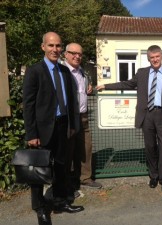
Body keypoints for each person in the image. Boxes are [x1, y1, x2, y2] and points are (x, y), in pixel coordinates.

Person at [96, 45, 162, 193]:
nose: (155, 60)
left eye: (157, 56)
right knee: (150, 147)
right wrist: (105, 86)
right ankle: (153, 176)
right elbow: (126, 84)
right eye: (152, 57)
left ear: (161, 56)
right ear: (148, 58)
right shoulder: (142, 73)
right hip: (147, 115)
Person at [23, 32, 84, 225]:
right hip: (42, 130)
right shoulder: (35, 71)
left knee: (61, 167)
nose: (55, 50)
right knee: (38, 170)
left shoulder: (65, 71)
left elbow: (72, 101)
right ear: (43, 47)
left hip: (63, 126)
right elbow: (28, 105)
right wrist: (32, 134)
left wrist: (73, 125)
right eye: (51, 46)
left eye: (58, 46)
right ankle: (40, 208)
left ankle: (59, 202)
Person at [64, 43, 102, 193]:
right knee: (68, 150)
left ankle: (85, 178)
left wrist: (89, 87)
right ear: (65, 54)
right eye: (73, 53)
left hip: (83, 116)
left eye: (79, 54)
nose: (77, 56)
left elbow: (83, 89)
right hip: (68, 118)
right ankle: (67, 181)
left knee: (86, 147)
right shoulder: (62, 72)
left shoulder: (82, 72)